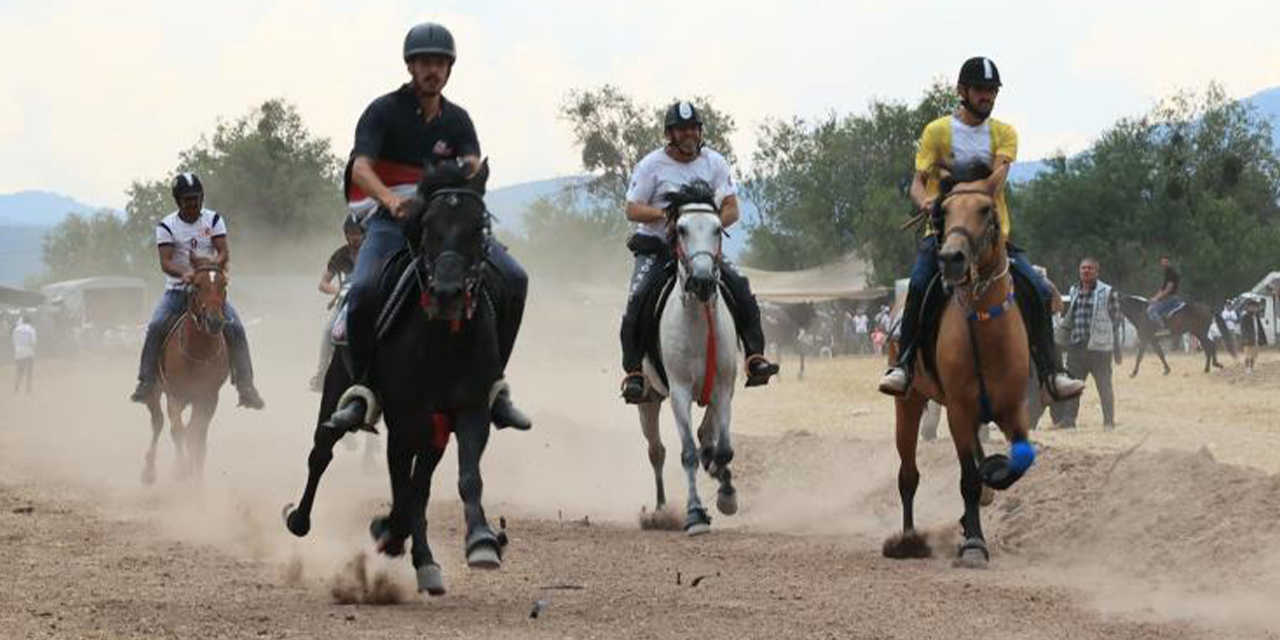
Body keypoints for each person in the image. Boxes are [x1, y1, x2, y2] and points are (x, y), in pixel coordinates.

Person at [326, 22, 530, 432]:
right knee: (363, 290)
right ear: (410, 66)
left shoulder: (458, 120)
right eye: (424, 62)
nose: (432, 70)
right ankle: (364, 390)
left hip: (444, 222)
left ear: (449, 69)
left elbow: (472, 164)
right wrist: (389, 199)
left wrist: (470, 178)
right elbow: (361, 167)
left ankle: (493, 386)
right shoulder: (382, 111)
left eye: (440, 62)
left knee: (515, 277)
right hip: (393, 221)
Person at [878, 56, 1083, 402]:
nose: (987, 97)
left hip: (991, 237)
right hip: (944, 235)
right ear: (962, 91)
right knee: (918, 285)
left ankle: (1052, 372)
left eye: (992, 91)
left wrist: (954, 175)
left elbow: (996, 180)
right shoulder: (936, 131)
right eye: (981, 90)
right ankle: (905, 364)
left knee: (1036, 287)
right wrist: (925, 202)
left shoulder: (1004, 133)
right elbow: (918, 183)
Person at [618, 101, 779, 402]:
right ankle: (634, 373)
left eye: (693, 128)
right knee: (637, 300)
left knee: (741, 286)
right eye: (682, 129)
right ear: (670, 134)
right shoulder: (651, 165)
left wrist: (707, 225)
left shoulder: (714, 162)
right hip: (657, 248)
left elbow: (732, 207)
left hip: (701, 248)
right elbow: (631, 208)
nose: (689, 134)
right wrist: (665, 217)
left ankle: (755, 357)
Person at [129, 173, 265, 409]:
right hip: (178, 291)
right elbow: (166, 261)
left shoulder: (213, 220)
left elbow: (223, 252)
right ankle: (146, 381)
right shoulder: (166, 226)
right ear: (178, 201)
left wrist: (211, 265)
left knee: (235, 327)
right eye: (187, 200)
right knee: (156, 325)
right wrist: (184, 273)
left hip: (210, 289)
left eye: (196, 198)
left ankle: (246, 387)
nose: (193, 203)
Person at [1059, 257, 1122, 429]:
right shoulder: (1074, 290)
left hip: (1099, 349)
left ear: (1097, 271)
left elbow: (1116, 320)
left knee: (1104, 387)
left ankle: (1109, 422)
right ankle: (1068, 421)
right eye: (1083, 268)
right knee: (1072, 387)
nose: (1086, 271)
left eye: (1090, 269)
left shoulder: (1108, 292)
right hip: (1077, 347)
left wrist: (1104, 337)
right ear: (1079, 271)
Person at [310, 215, 364, 392]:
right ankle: (321, 375)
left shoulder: (371, 252)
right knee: (328, 332)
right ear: (346, 235)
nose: (355, 237)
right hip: (345, 304)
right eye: (351, 233)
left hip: (368, 300)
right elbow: (323, 283)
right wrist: (339, 291)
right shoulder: (340, 255)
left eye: (358, 233)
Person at [1147, 255, 1182, 329]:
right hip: (1167, 297)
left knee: (1151, 310)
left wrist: (1157, 299)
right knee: (1153, 306)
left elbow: (1168, 289)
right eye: (1162, 262)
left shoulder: (1172, 273)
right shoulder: (1167, 273)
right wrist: (1154, 298)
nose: (1163, 264)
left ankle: (1163, 329)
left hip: (1170, 298)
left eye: (1165, 262)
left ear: (1169, 262)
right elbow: (1162, 289)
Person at [1240, 295, 1267, 372]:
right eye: (1252, 307)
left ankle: (1251, 367)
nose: (1254, 308)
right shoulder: (1244, 317)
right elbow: (1243, 328)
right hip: (1247, 339)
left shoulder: (1256, 317)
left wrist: (1262, 338)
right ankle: (1247, 368)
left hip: (1256, 338)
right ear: (1248, 307)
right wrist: (1245, 338)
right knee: (1248, 354)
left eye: (1255, 307)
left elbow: (1259, 328)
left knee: (1255, 355)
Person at [12, 314, 36, 394]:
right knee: (29, 372)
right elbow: (33, 342)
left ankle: (17, 386)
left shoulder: (16, 329)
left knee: (19, 371)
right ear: (30, 321)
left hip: (18, 352)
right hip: (28, 352)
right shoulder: (31, 329)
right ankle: (28, 389)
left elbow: (13, 341)